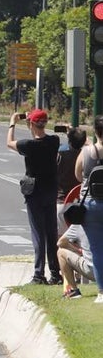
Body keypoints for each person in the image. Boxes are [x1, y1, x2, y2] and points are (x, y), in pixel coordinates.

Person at [7, 108, 61, 285]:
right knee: (51, 233)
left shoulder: (28, 145)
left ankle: (39, 274)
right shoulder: (54, 141)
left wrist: (12, 122)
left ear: (31, 124)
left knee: (38, 234)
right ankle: (55, 273)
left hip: (34, 192)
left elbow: (9, 142)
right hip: (50, 191)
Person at [75, 115, 103, 302]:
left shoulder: (86, 152)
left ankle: (101, 292)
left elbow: (78, 175)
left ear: (96, 132)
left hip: (91, 204)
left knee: (96, 248)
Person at [58, 127, 88, 231]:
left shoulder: (60, 154)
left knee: (60, 241)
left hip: (61, 201)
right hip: (79, 203)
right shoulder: (86, 157)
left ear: (69, 140)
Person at [56, 223, 94, 299]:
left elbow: (60, 243)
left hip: (93, 270)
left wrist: (77, 250)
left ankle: (74, 291)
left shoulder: (78, 225)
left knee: (61, 252)